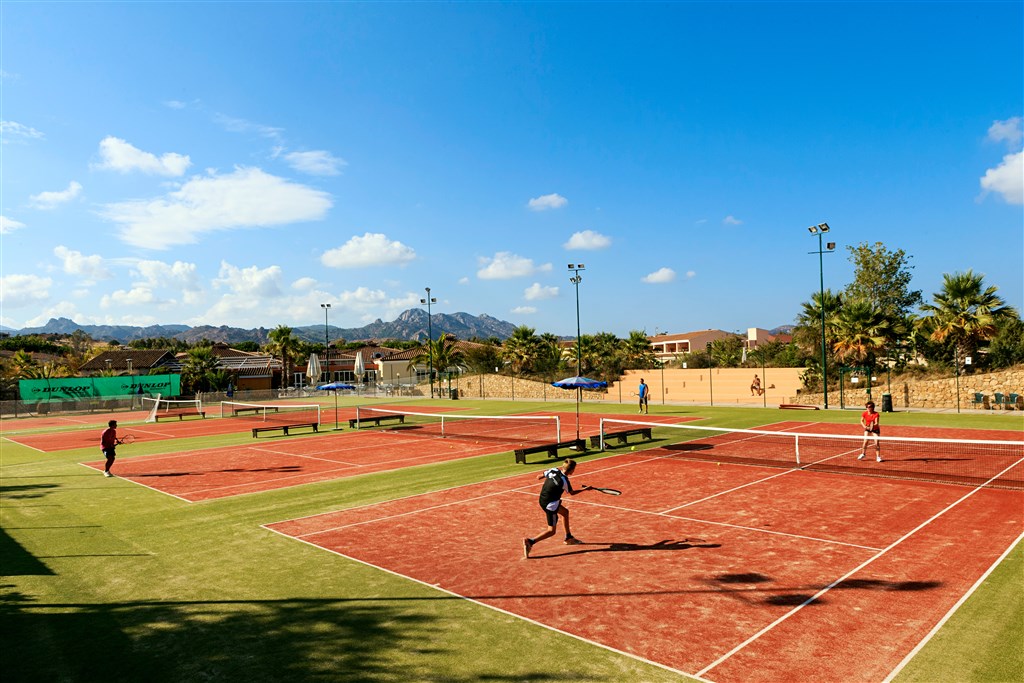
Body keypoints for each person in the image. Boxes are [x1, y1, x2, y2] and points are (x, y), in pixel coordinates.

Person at [523, 459, 590, 558]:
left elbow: (540, 475)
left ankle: (568, 537)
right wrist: (585, 489)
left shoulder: (554, 470)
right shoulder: (564, 481)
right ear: (571, 470)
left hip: (542, 499)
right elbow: (572, 493)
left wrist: (541, 477)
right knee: (551, 531)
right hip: (550, 505)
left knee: (565, 512)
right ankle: (531, 541)